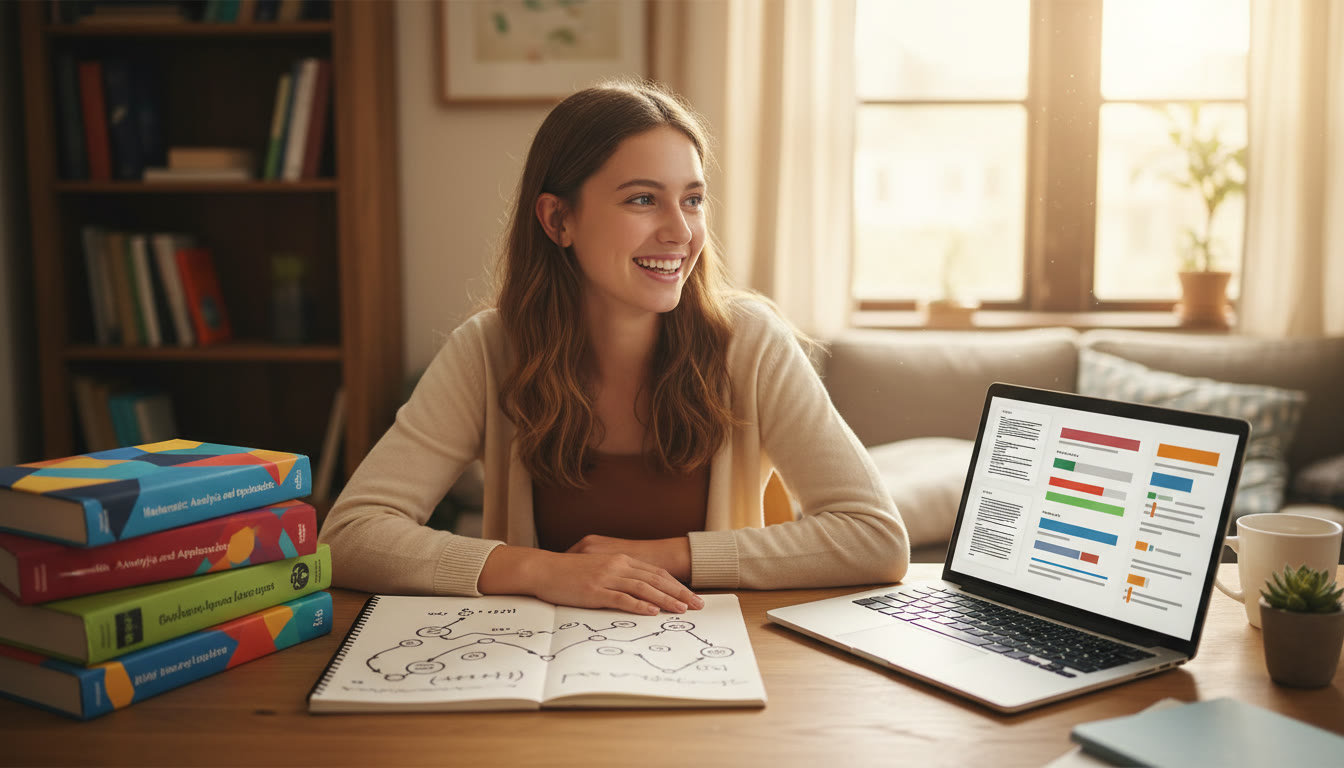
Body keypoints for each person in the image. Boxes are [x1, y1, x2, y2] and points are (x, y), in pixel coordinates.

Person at [319, 80, 908, 616]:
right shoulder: (489, 350)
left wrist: (666, 556)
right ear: (557, 220)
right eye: (642, 199)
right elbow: (349, 536)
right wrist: (541, 569)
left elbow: (875, 538)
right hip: (535, 673)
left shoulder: (750, 343)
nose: (680, 231)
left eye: (693, 199)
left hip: (713, 664)